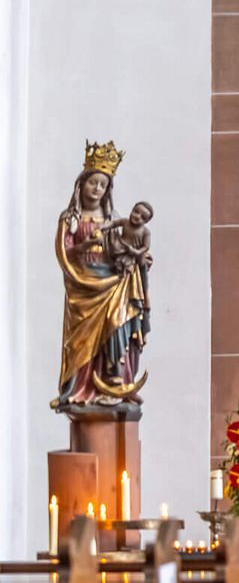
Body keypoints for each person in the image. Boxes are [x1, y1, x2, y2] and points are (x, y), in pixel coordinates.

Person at [53, 143, 152, 409]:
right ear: (81, 185)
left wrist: (137, 260)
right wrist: (80, 251)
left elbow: (120, 247)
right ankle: (81, 387)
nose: (97, 189)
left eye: (103, 185)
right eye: (93, 183)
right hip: (82, 283)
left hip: (111, 281)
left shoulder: (113, 218)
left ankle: (114, 380)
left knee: (117, 323)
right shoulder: (69, 218)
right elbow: (64, 251)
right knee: (82, 341)